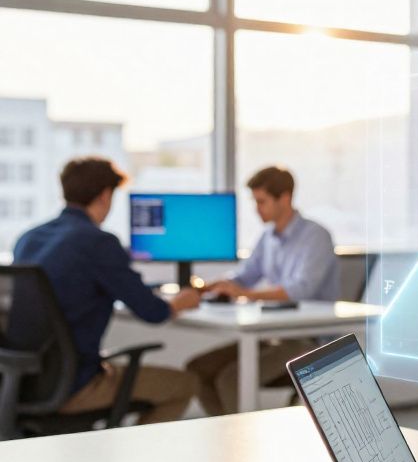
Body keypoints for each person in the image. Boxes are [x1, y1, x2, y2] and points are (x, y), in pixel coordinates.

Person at [13, 157, 202, 424]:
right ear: (105, 195)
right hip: (74, 386)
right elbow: (153, 312)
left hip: (24, 383)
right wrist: (181, 301)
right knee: (186, 384)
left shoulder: (28, 239)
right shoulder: (99, 243)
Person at [186, 166, 338, 415]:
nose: (257, 209)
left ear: (285, 198)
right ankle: (228, 439)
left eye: (262, 202)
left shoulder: (316, 236)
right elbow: (245, 276)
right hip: (272, 333)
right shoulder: (268, 237)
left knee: (231, 379)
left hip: (308, 339)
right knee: (198, 369)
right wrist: (210, 286)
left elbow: (301, 289)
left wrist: (245, 295)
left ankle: (246, 445)